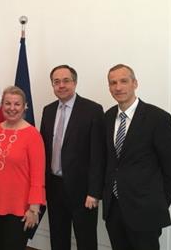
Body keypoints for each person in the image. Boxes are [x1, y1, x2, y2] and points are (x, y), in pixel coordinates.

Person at [103, 64, 171, 250]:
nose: (118, 87)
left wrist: (159, 203)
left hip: (146, 210)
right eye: (113, 83)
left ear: (135, 83)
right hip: (114, 209)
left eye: (124, 81)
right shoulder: (107, 117)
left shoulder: (158, 118)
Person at [40, 65, 105, 250]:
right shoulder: (48, 110)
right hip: (54, 187)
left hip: (83, 191)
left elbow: (98, 155)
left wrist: (94, 191)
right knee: (58, 238)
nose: (61, 85)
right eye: (56, 82)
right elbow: (44, 150)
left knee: (86, 240)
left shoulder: (92, 110)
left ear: (75, 82)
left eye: (66, 81)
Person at [0, 86, 46, 250]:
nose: (12, 108)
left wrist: (34, 208)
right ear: (2, 105)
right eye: (7, 103)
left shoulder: (33, 135)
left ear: (24, 107)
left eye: (17, 104)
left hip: (20, 207)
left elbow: (38, 174)